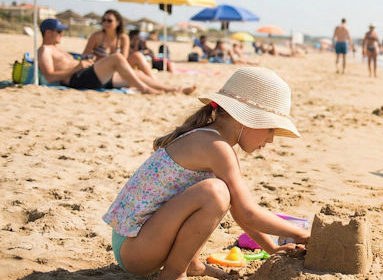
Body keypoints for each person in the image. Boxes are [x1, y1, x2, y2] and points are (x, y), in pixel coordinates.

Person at [102, 67, 310, 280]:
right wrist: (300, 234)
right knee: (215, 193)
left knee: (220, 194)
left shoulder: (213, 141)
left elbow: (240, 212)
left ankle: (190, 263)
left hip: (137, 241)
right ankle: (174, 273)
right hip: (136, 248)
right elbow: (248, 213)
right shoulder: (215, 147)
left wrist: (272, 248)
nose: (271, 139)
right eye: (271, 129)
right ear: (247, 119)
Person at [37, 19, 193, 94]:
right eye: (59, 31)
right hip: (77, 78)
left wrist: (85, 62)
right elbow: (49, 76)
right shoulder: (45, 50)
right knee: (117, 58)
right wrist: (77, 67)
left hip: (87, 73)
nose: (62, 34)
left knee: (136, 73)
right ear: (49, 32)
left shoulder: (55, 48)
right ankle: (145, 89)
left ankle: (175, 89)